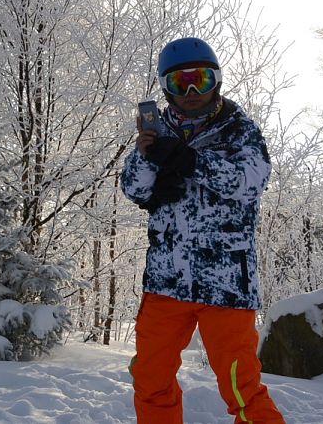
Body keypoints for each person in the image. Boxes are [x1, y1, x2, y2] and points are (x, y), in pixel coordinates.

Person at [121, 36, 286, 424]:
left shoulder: (240, 131)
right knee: (150, 377)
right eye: (181, 82)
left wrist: (188, 161)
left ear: (217, 81)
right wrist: (149, 160)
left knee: (240, 384)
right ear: (166, 88)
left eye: (202, 80)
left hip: (226, 281)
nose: (193, 91)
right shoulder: (158, 132)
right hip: (166, 279)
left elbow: (249, 183)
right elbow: (133, 188)